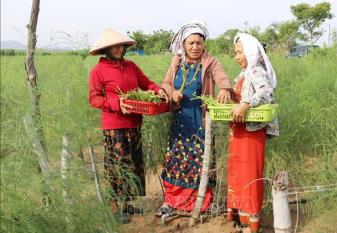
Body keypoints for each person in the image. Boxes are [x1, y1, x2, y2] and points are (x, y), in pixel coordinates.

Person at [88, 28, 167, 223]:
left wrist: (159, 91)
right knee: (116, 167)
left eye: (120, 45)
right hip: (114, 127)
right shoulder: (98, 70)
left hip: (134, 123)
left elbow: (146, 83)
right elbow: (94, 98)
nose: (117, 49)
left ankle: (127, 204)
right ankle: (115, 208)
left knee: (132, 164)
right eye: (112, 46)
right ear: (106, 49)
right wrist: (117, 104)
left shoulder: (131, 66)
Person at [156, 20, 232, 216]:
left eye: (199, 43)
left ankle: (202, 202)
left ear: (204, 44)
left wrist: (224, 87)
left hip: (201, 120)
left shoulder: (210, 61)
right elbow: (165, 83)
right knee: (177, 160)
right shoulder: (177, 62)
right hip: (181, 120)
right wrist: (172, 93)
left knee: (201, 160)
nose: (195, 47)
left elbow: (221, 76)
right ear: (183, 44)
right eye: (191, 43)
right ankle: (171, 201)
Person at [227, 33, 279, 233]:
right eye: (235, 53)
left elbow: (266, 92)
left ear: (251, 52)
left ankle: (253, 223)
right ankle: (244, 218)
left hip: (252, 132)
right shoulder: (243, 73)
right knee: (239, 173)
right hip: (240, 130)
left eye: (240, 52)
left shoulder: (256, 71)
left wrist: (246, 104)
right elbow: (240, 96)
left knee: (251, 174)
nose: (237, 56)